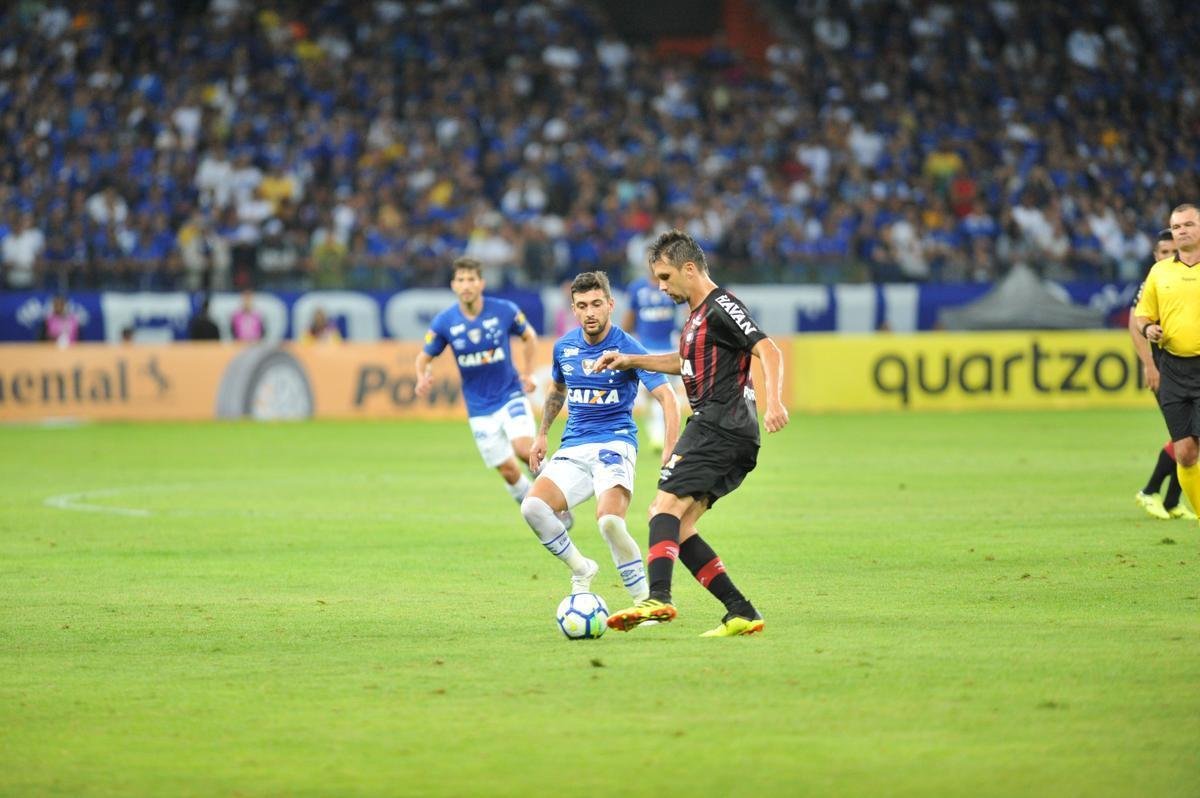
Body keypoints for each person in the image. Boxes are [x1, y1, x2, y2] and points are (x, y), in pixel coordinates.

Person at [593, 229, 789, 637]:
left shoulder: (722, 306)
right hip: (727, 432)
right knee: (678, 526)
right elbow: (684, 361)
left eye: (665, 277)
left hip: (719, 425)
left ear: (688, 268)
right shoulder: (697, 316)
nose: (660, 287)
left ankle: (659, 598)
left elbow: (767, 349)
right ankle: (741, 611)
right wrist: (630, 360)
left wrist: (775, 401)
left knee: (661, 510)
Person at [523, 271, 679, 601]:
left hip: (615, 443)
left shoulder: (628, 347)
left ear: (611, 305)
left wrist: (671, 448)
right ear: (573, 309)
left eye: (596, 304)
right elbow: (557, 389)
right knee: (532, 508)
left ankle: (644, 602)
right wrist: (542, 435)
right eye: (582, 306)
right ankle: (581, 568)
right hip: (574, 446)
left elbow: (667, 397)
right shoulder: (564, 347)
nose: (590, 312)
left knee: (609, 522)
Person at [416, 257, 567, 520]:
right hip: (479, 408)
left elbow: (529, 337)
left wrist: (529, 372)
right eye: (461, 280)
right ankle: (539, 512)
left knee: (524, 450)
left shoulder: (504, 310)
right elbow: (424, 357)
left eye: (471, 279)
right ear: (453, 285)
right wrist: (422, 376)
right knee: (508, 471)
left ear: (481, 283)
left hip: (510, 395)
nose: (466, 285)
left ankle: (561, 497)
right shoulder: (445, 322)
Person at [1134, 203, 1200, 527]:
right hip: (1171, 367)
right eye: (1176, 227)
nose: (1182, 231)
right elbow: (1139, 318)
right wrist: (1149, 338)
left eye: (1188, 225)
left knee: (1192, 447)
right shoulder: (1158, 274)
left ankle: (1165, 496)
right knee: (1185, 449)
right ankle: (1166, 497)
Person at [622, 272, 683, 450]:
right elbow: (630, 315)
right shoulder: (636, 288)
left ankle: (668, 433)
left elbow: (687, 309)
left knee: (670, 393)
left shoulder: (673, 284)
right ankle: (657, 434)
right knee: (651, 394)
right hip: (646, 348)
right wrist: (621, 340)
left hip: (671, 347)